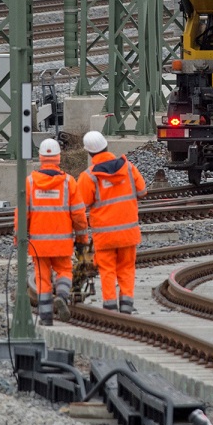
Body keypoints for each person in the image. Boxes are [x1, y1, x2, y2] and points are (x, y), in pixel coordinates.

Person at [17, 138, 88, 326]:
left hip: (38, 243)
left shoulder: (30, 183)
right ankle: (63, 297)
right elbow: (79, 214)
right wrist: (82, 237)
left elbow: (22, 213)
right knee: (64, 271)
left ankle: (46, 317)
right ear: (58, 158)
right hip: (62, 242)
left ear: (40, 157)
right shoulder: (69, 183)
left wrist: (19, 237)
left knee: (41, 277)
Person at [76, 131, 147, 314]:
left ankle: (109, 306)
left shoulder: (89, 176)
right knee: (127, 268)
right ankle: (126, 305)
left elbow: (80, 205)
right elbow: (142, 191)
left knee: (107, 269)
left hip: (104, 234)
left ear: (89, 153)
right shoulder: (129, 168)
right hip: (128, 232)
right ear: (106, 146)